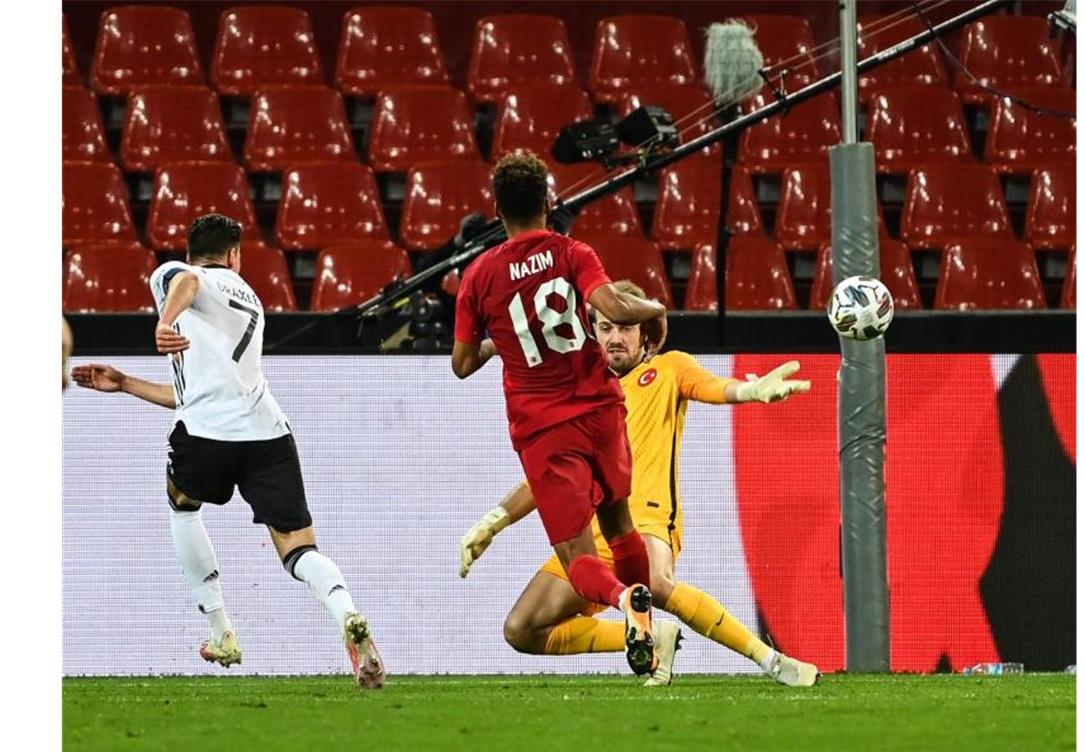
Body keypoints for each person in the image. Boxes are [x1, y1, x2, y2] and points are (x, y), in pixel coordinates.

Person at [70, 213, 385, 689]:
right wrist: (127, 384)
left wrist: (164, 320)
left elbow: (186, 279)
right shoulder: (249, 299)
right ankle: (348, 613)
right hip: (267, 433)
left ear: (193, 250)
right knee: (299, 547)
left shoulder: (178, 276)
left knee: (182, 505)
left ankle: (221, 632)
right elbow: (193, 390)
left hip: (206, 437)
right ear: (236, 255)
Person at [460, 281, 820, 687]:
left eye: (625, 328)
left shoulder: (668, 369)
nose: (615, 338)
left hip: (646, 520)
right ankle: (653, 634)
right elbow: (549, 476)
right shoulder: (579, 396)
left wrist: (751, 390)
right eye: (605, 328)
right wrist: (494, 520)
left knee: (655, 583)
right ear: (592, 333)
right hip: (588, 536)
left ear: (643, 332)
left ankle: (771, 660)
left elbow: (713, 387)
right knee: (521, 628)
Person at [451, 151, 668, 676]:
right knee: (619, 522)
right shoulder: (573, 253)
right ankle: (649, 630)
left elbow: (460, 364)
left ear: (497, 208)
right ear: (549, 203)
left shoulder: (479, 276)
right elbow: (613, 307)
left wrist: (494, 345)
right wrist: (658, 308)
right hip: (600, 410)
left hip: (545, 428)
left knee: (578, 559)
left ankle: (626, 606)